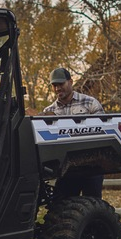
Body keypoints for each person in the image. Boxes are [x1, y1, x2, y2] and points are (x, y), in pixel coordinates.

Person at [43, 67, 105, 198]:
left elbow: (103, 130)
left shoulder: (90, 103)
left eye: (61, 84)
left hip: (91, 166)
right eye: (54, 85)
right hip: (66, 170)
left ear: (70, 82)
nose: (57, 88)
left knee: (93, 204)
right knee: (61, 206)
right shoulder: (48, 111)